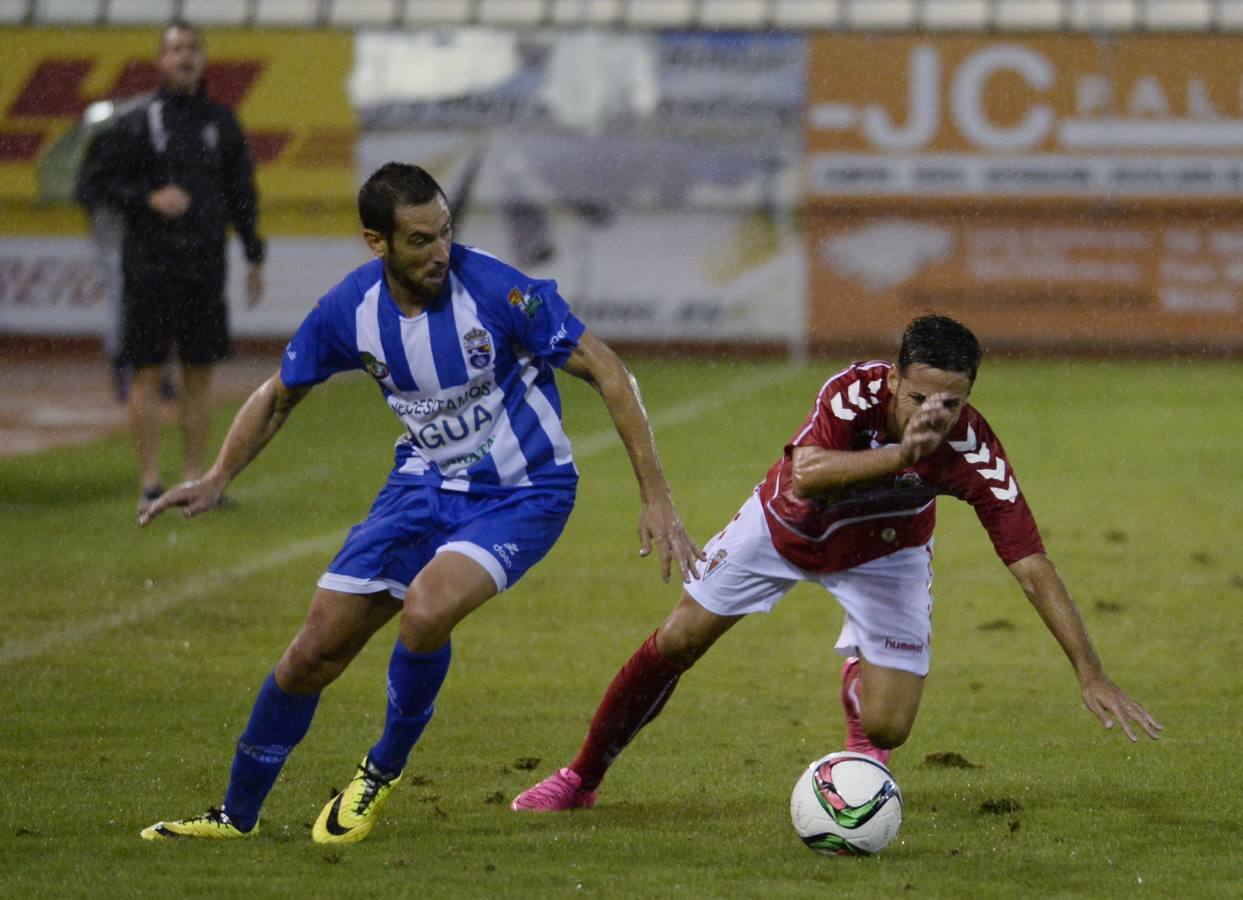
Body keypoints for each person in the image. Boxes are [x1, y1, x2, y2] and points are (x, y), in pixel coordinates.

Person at [136, 162, 702, 843]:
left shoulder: (498, 291)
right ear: (376, 242)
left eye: (445, 233)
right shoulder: (350, 309)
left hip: (523, 494)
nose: (439, 252)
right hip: (420, 486)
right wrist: (220, 474)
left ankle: (381, 769)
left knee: (426, 608)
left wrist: (656, 496)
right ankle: (234, 815)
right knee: (312, 652)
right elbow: (280, 393)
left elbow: (608, 369)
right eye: (419, 241)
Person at [512, 314, 1162, 813]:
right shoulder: (851, 394)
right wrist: (903, 458)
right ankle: (581, 778)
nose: (932, 415)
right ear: (892, 380)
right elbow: (809, 473)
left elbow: (1029, 562)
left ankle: (860, 682)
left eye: (950, 404)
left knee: (887, 726)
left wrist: (1090, 672)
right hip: (783, 529)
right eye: (918, 398)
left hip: (887, 554)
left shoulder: (972, 451)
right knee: (677, 641)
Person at [77, 21, 265, 513]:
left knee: (200, 373)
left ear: (204, 58)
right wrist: (147, 197)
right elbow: (91, 186)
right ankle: (149, 482)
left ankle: (195, 479)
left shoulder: (221, 122)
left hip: (203, 267)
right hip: (149, 268)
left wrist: (253, 253)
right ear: (161, 60)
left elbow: (241, 193)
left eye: (193, 49)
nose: (184, 57)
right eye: (176, 49)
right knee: (147, 370)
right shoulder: (138, 120)